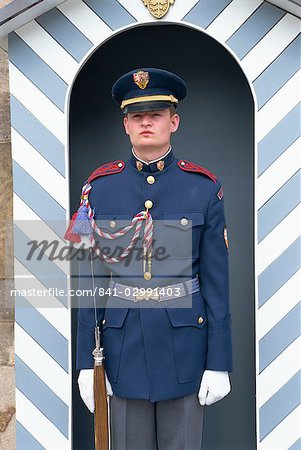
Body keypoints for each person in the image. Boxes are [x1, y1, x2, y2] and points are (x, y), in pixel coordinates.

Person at [67, 68, 232, 450]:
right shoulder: (100, 189)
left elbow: (216, 281)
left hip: (187, 345)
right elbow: (90, 281)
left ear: (173, 121)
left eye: (155, 115)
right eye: (137, 116)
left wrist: (219, 360)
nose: (146, 123)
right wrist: (85, 364)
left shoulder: (204, 188)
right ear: (125, 125)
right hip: (122, 349)